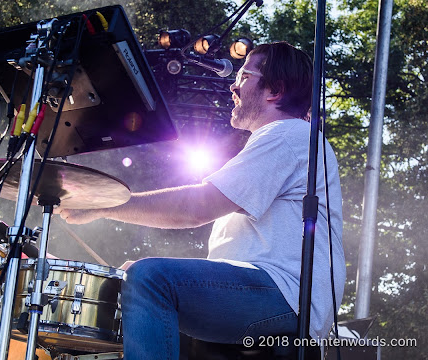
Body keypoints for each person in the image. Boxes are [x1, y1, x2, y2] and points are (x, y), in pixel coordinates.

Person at [57, 41, 345, 359]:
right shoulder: (283, 141)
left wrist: (102, 204)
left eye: (244, 76)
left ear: (274, 91)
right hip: (275, 292)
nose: (233, 86)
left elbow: (196, 207)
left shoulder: (287, 136)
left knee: (149, 279)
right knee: (140, 278)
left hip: (286, 295)